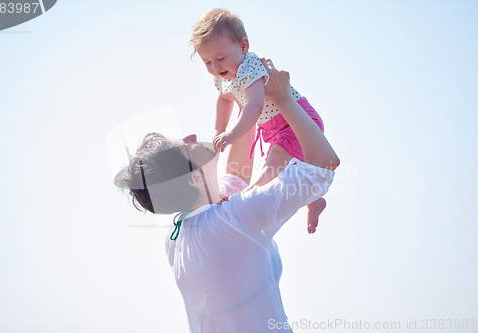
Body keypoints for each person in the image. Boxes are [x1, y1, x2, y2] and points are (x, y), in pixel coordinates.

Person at [115, 59, 339, 332]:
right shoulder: (232, 219)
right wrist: (283, 98)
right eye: (187, 145)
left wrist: (244, 87)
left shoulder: (178, 238)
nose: (192, 136)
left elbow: (236, 178)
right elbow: (324, 164)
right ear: (196, 177)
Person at [190, 8, 328, 234]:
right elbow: (224, 99)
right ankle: (314, 200)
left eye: (220, 58)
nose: (215, 67)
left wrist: (233, 135)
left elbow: (253, 105)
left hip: (294, 121)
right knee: (288, 171)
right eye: (207, 62)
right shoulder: (222, 77)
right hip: (275, 127)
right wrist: (219, 128)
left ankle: (244, 199)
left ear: (243, 47)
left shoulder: (250, 66)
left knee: (272, 167)